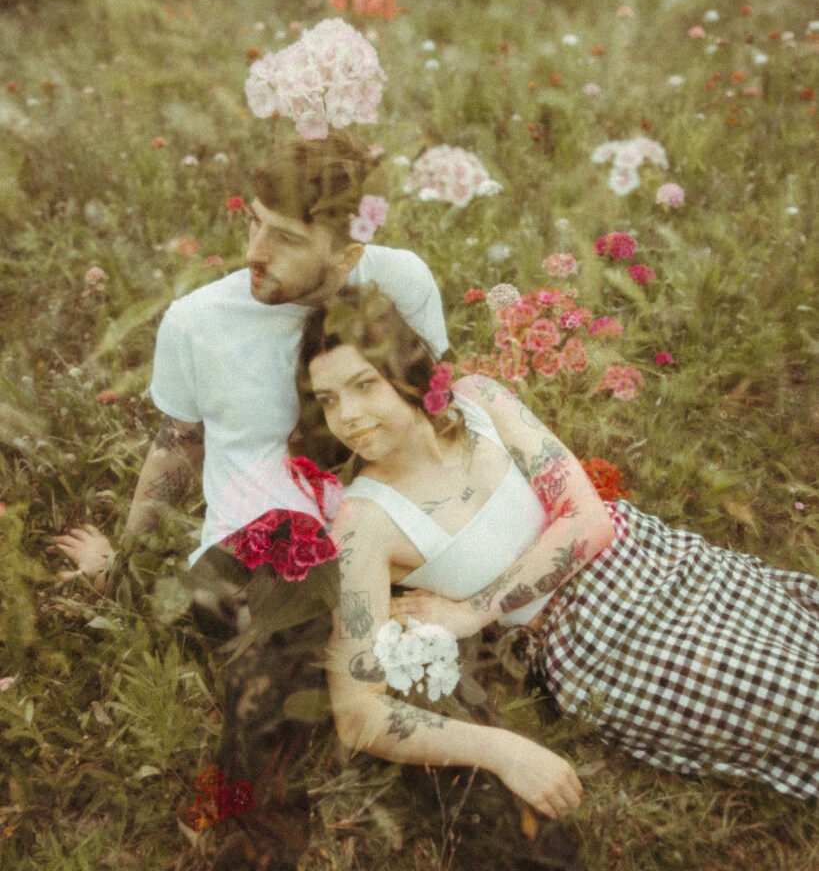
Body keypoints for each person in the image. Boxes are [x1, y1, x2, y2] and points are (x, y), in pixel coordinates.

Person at [53, 132, 449, 870]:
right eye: (252, 222)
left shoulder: (403, 283)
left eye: (286, 236)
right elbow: (178, 443)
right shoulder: (199, 320)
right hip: (253, 547)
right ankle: (256, 845)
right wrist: (127, 558)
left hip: (374, 529)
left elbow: (426, 409)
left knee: (438, 659)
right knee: (283, 626)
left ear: (347, 254)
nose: (253, 251)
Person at [292, 284, 819, 828]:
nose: (347, 415)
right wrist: (503, 750)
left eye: (363, 385)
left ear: (403, 368)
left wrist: (473, 611)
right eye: (328, 399)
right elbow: (359, 712)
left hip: (659, 565)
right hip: (602, 645)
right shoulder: (363, 524)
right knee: (804, 701)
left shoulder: (480, 402)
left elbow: (588, 522)